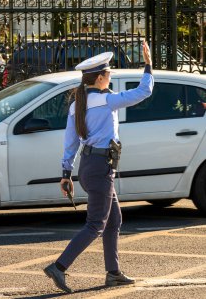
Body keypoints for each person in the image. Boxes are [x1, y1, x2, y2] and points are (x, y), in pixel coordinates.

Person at [44, 40, 154, 293]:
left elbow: (70, 142)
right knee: (96, 224)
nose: (111, 76)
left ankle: (113, 273)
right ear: (101, 78)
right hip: (101, 167)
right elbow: (143, 92)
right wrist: (148, 65)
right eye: (109, 73)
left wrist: (65, 173)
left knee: (114, 220)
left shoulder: (77, 104)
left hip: (89, 165)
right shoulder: (107, 100)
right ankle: (58, 267)